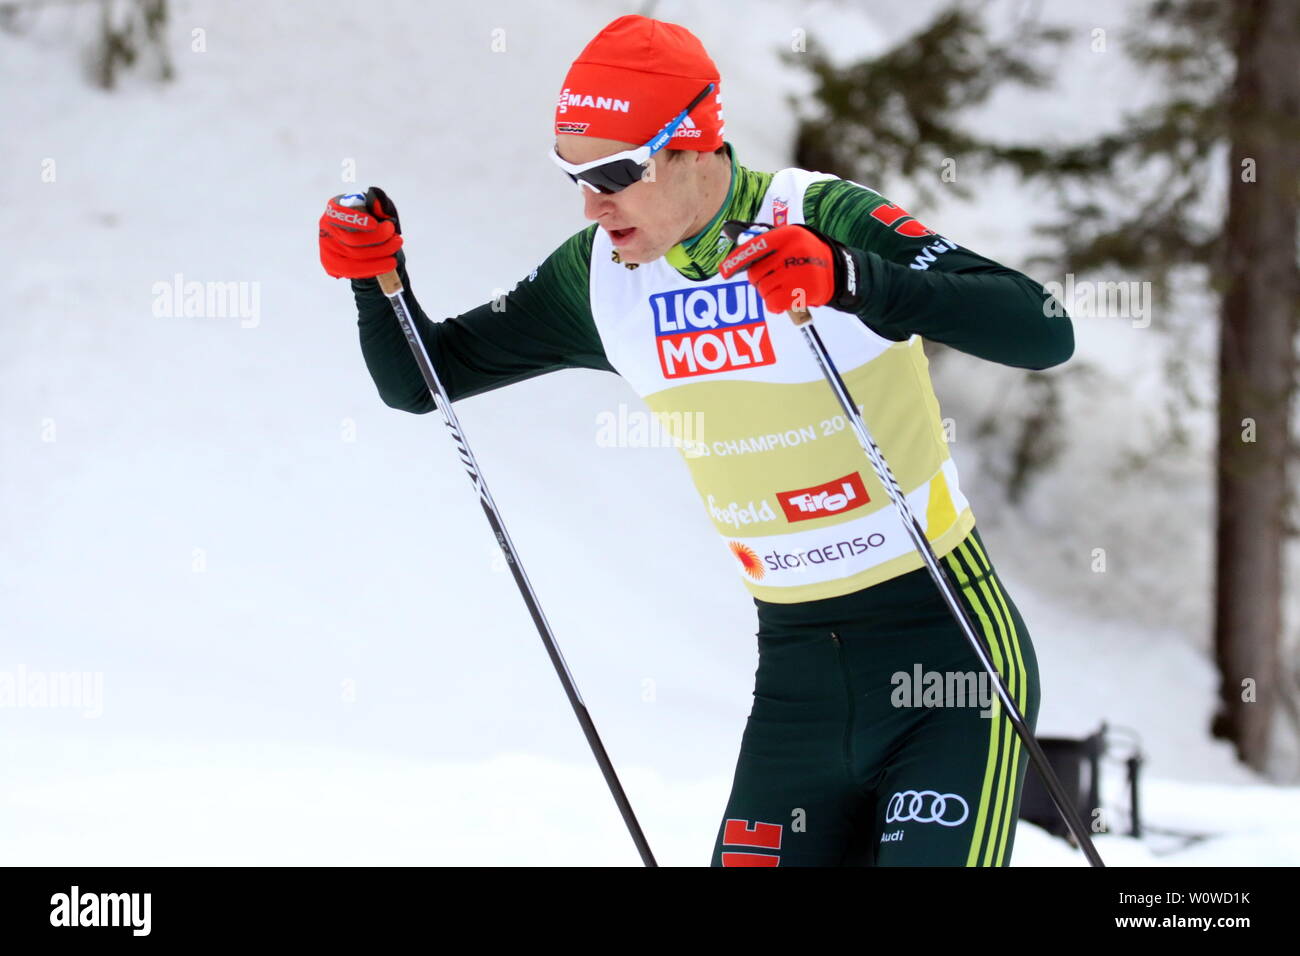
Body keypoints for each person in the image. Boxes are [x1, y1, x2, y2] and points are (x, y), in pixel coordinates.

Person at [318, 14, 1073, 866]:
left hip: (948, 656)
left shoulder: (815, 214)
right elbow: (424, 381)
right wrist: (378, 283)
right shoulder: (599, 279)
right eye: (572, 173)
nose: (592, 202)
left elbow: (1041, 331)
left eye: (613, 171)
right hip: (798, 683)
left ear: (691, 145)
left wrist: (850, 277)